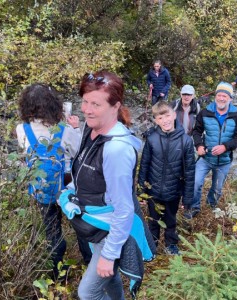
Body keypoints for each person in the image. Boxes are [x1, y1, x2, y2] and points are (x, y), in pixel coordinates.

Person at [58, 71, 156, 299]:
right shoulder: (91, 131)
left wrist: (109, 254)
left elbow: (124, 209)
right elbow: (84, 173)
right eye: (84, 101)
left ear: (115, 106)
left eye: (95, 104)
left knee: (88, 293)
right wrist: (70, 192)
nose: (86, 109)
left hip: (109, 231)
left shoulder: (116, 149)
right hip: (95, 226)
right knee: (110, 281)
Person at [16, 83, 84, 279]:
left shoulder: (22, 129)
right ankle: (88, 261)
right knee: (80, 226)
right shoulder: (64, 130)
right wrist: (76, 129)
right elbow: (78, 152)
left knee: (52, 229)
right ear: (55, 105)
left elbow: (24, 152)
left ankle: (57, 275)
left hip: (40, 188)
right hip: (66, 186)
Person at [138, 101, 195, 255]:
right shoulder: (151, 139)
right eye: (160, 118)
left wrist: (187, 198)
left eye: (167, 115)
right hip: (153, 190)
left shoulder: (186, 141)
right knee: (153, 220)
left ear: (174, 115)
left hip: (173, 191)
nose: (165, 120)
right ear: (156, 120)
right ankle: (152, 245)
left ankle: (171, 245)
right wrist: (141, 191)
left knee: (170, 220)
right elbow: (144, 165)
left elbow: (190, 172)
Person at [184, 82, 237, 219]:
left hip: (224, 160)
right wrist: (199, 146)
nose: (221, 98)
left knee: (217, 189)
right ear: (215, 96)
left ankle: (211, 206)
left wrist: (225, 146)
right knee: (195, 182)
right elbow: (196, 131)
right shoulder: (205, 112)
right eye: (219, 95)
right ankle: (194, 207)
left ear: (230, 98)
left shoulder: (236, 115)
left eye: (225, 96)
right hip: (206, 158)